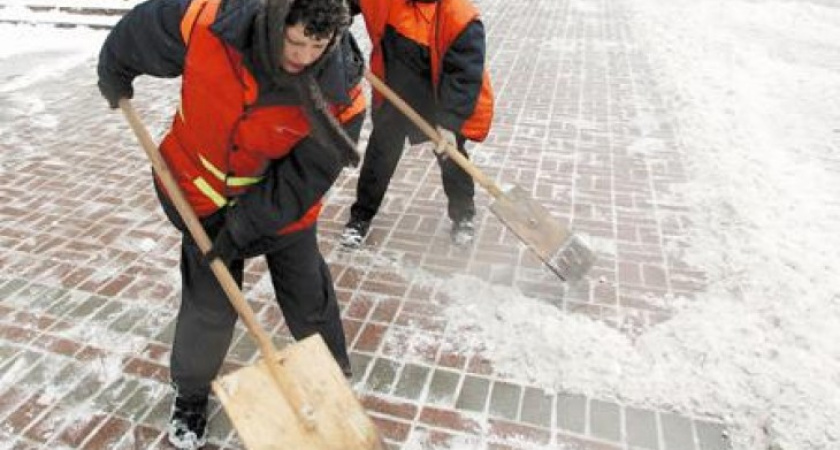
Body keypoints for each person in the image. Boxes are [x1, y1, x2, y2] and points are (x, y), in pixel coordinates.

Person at [97, 0, 366, 447]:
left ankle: (331, 380)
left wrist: (244, 226)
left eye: (316, 46)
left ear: (334, 38)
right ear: (276, 20)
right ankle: (191, 395)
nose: (301, 57)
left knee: (308, 297)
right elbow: (139, 31)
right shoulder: (210, 23)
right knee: (209, 305)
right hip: (200, 194)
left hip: (284, 207)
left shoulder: (341, 93)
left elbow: (306, 176)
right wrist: (114, 71)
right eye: (294, 41)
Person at [339, 0, 494, 248]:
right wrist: (333, 14)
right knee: (381, 155)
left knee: (452, 158)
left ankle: (463, 215)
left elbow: (464, 75)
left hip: (441, 98)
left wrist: (450, 122)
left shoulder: (461, 18)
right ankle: (360, 217)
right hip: (395, 94)